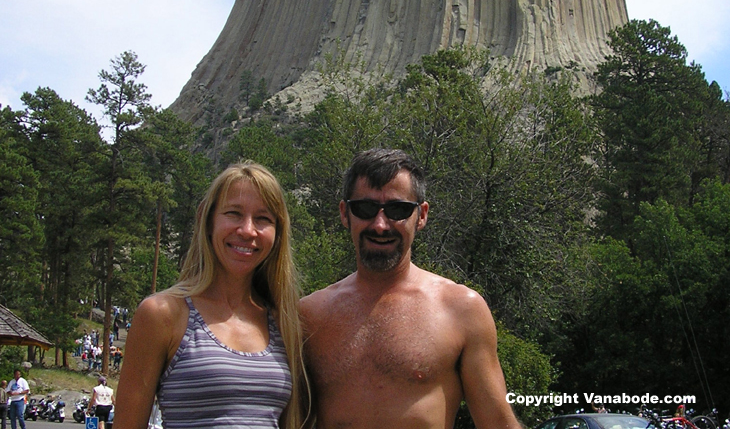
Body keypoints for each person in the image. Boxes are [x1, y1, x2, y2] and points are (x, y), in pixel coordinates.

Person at [300, 148, 523, 429]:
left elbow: (498, 423)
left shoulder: (460, 310)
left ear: (421, 215)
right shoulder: (309, 315)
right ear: (345, 213)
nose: (380, 225)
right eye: (366, 209)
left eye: (398, 210)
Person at [113, 162, 308, 429]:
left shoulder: (284, 322)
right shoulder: (163, 314)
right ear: (207, 221)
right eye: (234, 213)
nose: (247, 230)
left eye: (263, 219)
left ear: (277, 233)